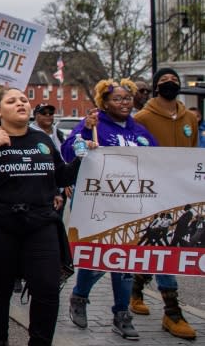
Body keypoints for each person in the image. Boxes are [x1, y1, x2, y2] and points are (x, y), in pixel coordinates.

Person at [0, 87, 84, 346]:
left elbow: (61, 176)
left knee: (47, 289)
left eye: (24, 100)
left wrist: (82, 159)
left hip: (40, 226)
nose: (20, 104)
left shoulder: (43, 141)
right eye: (12, 101)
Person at [61, 79, 154, 340]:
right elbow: (68, 153)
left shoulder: (140, 131)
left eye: (127, 98)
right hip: (99, 209)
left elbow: (160, 162)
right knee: (97, 262)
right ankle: (79, 296)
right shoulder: (93, 125)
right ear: (105, 102)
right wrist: (83, 138)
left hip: (131, 209)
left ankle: (121, 314)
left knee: (124, 264)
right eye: (117, 99)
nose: (123, 103)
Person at [129, 67, 198, 339]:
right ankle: (172, 312)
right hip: (153, 193)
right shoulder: (143, 117)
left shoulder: (189, 118)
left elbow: (193, 154)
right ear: (157, 87)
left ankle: (136, 286)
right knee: (165, 247)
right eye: (165, 80)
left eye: (174, 80)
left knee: (158, 246)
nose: (171, 83)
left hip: (180, 192)